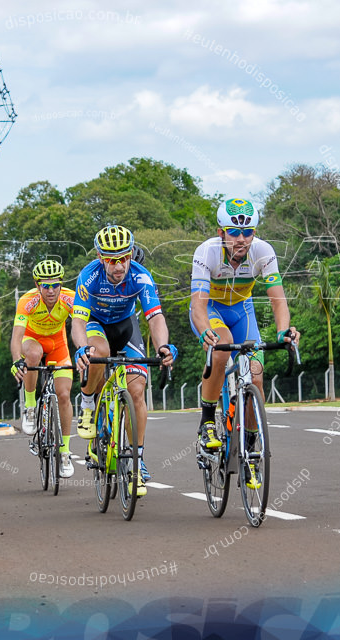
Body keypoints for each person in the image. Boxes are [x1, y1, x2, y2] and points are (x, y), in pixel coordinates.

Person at [189, 197, 299, 488]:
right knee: (222, 346)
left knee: (257, 374)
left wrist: (283, 332)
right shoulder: (207, 253)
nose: (241, 239)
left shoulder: (263, 251)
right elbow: (198, 306)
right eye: (233, 232)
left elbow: (278, 299)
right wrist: (203, 332)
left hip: (242, 310)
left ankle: (250, 448)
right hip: (210, 310)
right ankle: (208, 421)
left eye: (247, 232)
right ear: (221, 231)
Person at [71, 225, 176, 497]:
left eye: (124, 257)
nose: (119, 265)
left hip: (126, 326)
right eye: (111, 259)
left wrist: (163, 346)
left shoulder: (141, 277)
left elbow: (155, 317)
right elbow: (79, 322)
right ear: (100, 256)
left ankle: (137, 461)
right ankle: (87, 403)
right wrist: (82, 348)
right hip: (96, 325)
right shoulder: (89, 276)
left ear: (131, 254)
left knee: (137, 390)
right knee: (99, 351)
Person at [10, 259, 77, 478]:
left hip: (58, 344)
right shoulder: (28, 301)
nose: (51, 290)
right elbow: (17, 335)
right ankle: (30, 407)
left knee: (64, 395)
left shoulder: (70, 299)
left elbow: (81, 326)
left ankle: (65, 451)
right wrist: (15, 360)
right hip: (32, 340)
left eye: (55, 285)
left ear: (61, 284)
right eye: (45, 285)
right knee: (32, 354)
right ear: (37, 285)